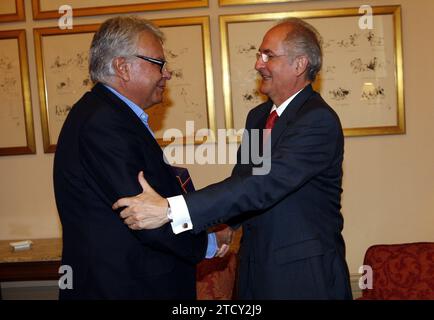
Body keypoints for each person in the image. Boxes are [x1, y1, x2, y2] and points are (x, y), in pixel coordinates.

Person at [113, 18, 353, 299]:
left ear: (299, 64)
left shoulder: (318, 120)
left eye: (268, 56)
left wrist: (170, 209)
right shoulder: (259, 117)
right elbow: (244, 181)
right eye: (258, 55)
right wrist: (226, 227)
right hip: (254, 270)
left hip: (304, 278)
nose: (258, 64)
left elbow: (264, 184)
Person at [53, 16, 230, 300]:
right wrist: (208, 243)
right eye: (159, 63)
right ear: (123, 67)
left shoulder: (110, 116)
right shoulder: (104, 123)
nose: (167, 74)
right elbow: (142, 214)